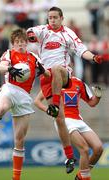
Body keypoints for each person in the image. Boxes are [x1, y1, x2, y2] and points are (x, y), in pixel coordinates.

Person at [27, 6, 105, 172]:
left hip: (63, 76)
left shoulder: (68, 33)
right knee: (59, 119)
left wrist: (94, 57)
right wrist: (31, 36)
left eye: (55, 17)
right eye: (50, 17)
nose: (52, 20)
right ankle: (70, 157)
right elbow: (30, 32)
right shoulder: (42, 30)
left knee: (57, 68)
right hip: (47, 79)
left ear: (62, 18)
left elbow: (81, 50)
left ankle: (55, 104)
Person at [0, 28, 48, 180]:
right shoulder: (9, 53)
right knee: (2, 108)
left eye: (22, 42)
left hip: (25, 97)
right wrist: (10, 69)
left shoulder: (34, 57)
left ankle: (16, 178)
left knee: (20, 140)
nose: (20, 45)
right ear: (13, 44)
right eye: (17, 43)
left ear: (26, 43)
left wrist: (44, 71)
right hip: (10, 88)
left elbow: (47, 74)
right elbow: (1, 68)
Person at [34, 76, 103, 180]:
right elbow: (37, 101)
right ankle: (84, 177)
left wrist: (98, 96)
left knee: (98, 149)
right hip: (64, 121)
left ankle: (81, 175)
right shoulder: (54, 81)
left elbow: (92, 103)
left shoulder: (78, 82)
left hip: (78, 120)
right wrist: (48, 110)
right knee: (84, 149)